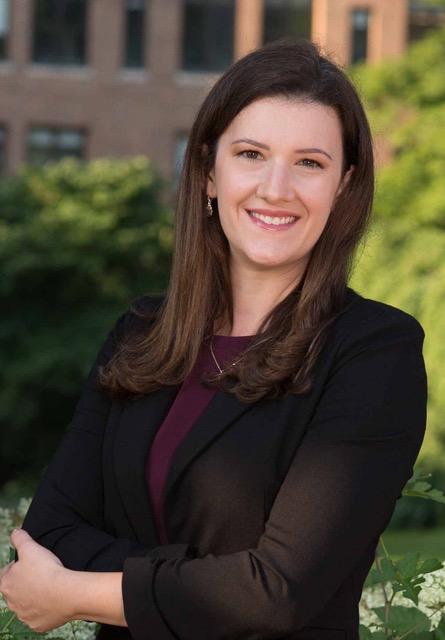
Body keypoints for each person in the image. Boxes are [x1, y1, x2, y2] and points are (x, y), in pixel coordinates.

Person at [0, 38, 427, 640]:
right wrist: (206, 588)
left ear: (343, 186)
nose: (276, 188)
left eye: (310, 162)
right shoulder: (140, 336)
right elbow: (48, 534)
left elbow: (276, 593)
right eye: (251, 153)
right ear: (207, 171)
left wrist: (78, 593)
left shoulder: (373, 353)